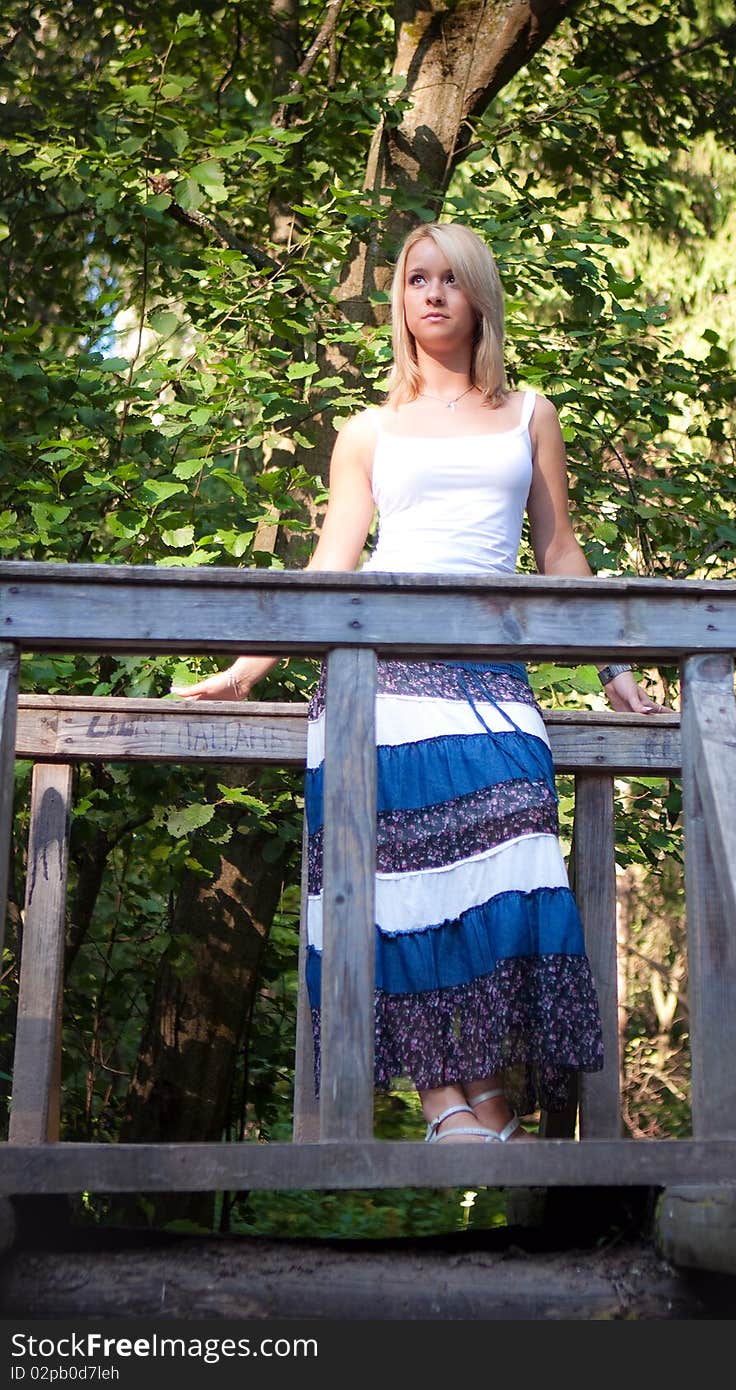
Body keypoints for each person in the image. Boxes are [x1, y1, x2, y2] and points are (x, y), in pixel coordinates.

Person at [175, 220, 668, 1144]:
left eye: (449, 278)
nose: (432, 293)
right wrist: (250, 666)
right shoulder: (369, 431)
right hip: (382, 681)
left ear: (479, 294)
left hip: (490, 679)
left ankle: (486, 1095)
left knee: (508, 856)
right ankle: (444, 1098)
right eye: (415, 279)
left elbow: (560, 549)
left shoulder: (530, 413)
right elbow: (333, 563)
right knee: (400, 884)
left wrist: (616, 668)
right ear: (399, 300)